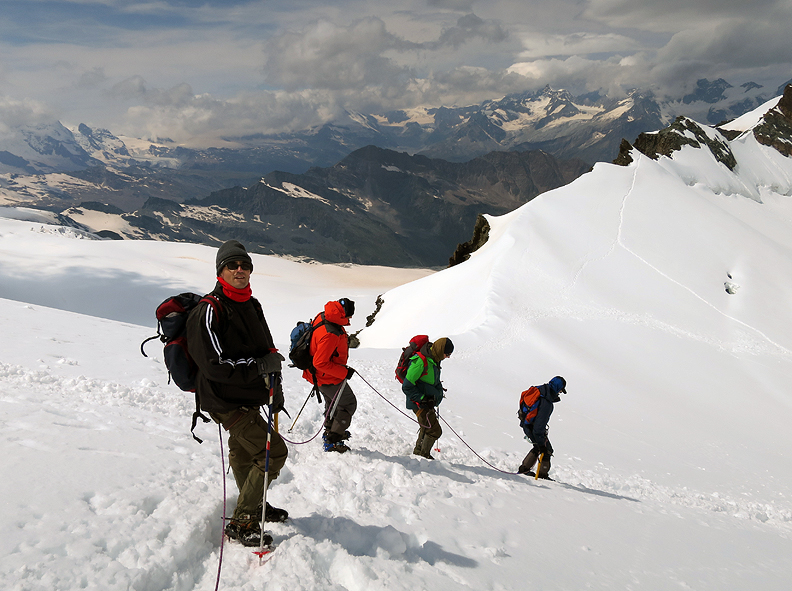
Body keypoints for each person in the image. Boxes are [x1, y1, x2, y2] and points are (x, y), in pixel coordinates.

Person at [186, 239, 289, 547]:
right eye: (232, 265)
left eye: (245, 265)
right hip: (224, 400)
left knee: (245, 454)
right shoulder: (209, 311)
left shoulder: (251, 305)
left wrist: (275, 386)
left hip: (248, 395)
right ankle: (243, 520)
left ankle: (254, 504)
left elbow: (267, 350)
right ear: (220, 271)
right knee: (273, 453)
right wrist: (259, 367)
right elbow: (214, 366)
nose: (240, 269)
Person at [303, 298, 357, 453]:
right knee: (348, 404)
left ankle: (331, 430)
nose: (350, 318)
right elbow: (320, 362)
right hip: (326, 376)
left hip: (319, 375)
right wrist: (344, 372)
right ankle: (333, 439)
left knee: (333, 402)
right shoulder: (331, 333)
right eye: (349, 315)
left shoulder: (325, 316)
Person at [402, 337, 454, 459]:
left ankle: (418, 454)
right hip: (419, 402)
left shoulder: (435, 359)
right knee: (434, 430)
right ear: (441, 350)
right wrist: (423, 398)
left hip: (427, 402)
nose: (448, 357)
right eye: (447, 354)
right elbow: (407, 386)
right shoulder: (421, 361)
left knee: (426, 427)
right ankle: (423, 456)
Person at [517, 376, 567, 480]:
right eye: (561, 390)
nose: (560, 393)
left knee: (538, 447)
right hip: (533, 428)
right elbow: (539, 425)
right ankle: (542, 476)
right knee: (546, 450)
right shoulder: (546, 402)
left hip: (527, 424)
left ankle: (524, 469)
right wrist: (541, 442)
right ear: (558, 388)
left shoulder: (540, 390)